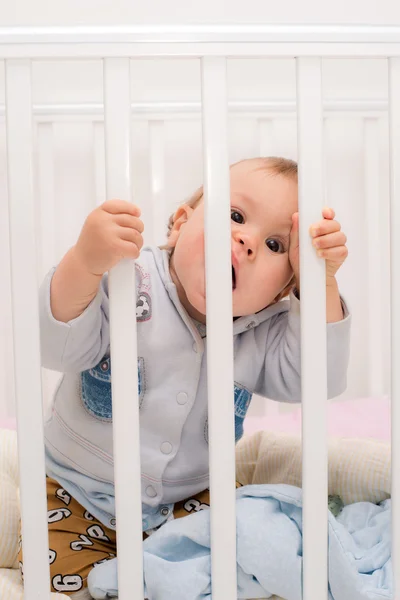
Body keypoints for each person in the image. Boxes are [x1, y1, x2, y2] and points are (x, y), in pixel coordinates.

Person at [19, 157, 350, 596]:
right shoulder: (126, 281)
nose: (248, 241)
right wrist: (85, 260)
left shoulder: (264, 327)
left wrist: (320, 281)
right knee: (54, 577)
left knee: (255, 548)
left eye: (275, 246)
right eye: (235, 216)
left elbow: (317, 380)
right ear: (179, 225)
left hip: (193, 499)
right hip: (76, 494)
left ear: (283, 290)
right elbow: (54, 346)